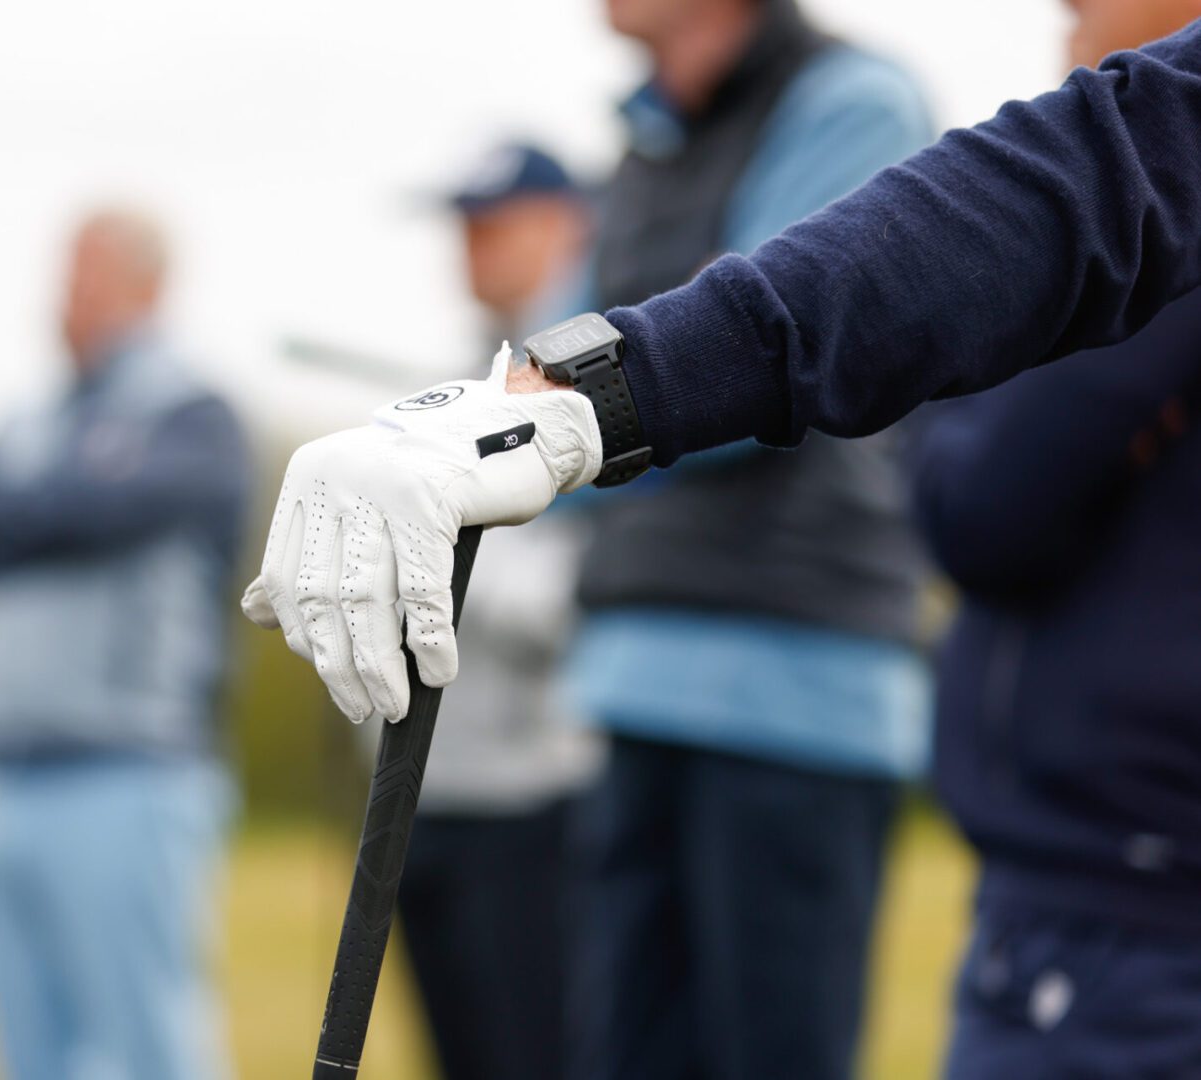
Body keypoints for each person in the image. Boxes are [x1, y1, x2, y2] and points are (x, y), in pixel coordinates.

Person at [241, 17, 1201, 724]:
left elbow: (878, 310)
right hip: (632, 647)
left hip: (790, 667)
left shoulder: (848, 98)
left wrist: (590, 402)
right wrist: (504, 420)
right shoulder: (648, 140)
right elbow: (558, 352)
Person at [556, 1, 933, 1074]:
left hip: (797, 688)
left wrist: (518, 444)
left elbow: (749, 362)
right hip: (633, 672)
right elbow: (541, 374)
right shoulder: (645, 133)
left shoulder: (853, 101)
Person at [910, 5, 1201, 1077]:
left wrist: (972, 389)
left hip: (1127, 907)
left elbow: (983, 503)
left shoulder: (1166, 208)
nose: (1067, 6)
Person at [0, 209, 249, 1080]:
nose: (65, 295)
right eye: (64, 272)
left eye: (89, 273)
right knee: (26, 1054)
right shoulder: (25, 418)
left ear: (148, 286)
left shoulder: (194, 413)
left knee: (145, 1045)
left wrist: (34, 509)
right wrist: (70, 501)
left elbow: (92, 510)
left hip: (127, 771)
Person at [382, 142, 601, 1080]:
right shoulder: (452, 380)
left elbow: (597, 585)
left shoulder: (615, 370)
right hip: (425, 787)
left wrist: (452, 566)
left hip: (542, 794)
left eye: (491, 224)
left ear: (567, 222)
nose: (468, 249)